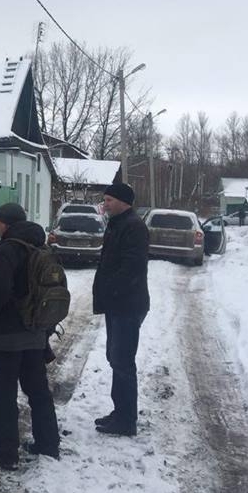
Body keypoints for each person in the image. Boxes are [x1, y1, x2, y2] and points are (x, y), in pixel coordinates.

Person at [0, 202, 60, 469]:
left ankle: (4, 454)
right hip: (34, 329)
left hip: (7, 333)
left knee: (3, 393)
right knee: (38, 390)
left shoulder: (9, 248)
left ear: (5, 223)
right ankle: (48, 444)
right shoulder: (39, 245)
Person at [92, 182, 149, 437]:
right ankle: (120, 412)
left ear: (124, 202)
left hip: (127, 304)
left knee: (123, 360)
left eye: (109, 200)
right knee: (116, 358)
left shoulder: (134, 227)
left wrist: (111, 290)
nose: (105, 204)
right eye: (105, 200)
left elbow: (131, 268)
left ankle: (126, 420)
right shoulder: (117, 224)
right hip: (117, 304)